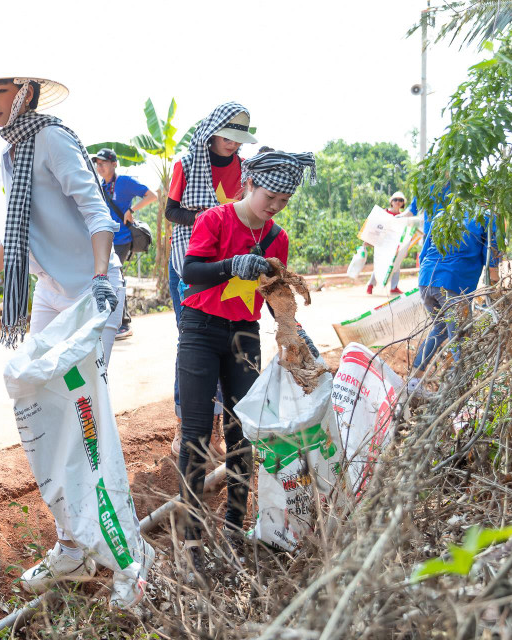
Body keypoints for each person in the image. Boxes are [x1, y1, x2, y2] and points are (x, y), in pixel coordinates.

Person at [0, 75, 153, 607]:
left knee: (88, 421)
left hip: (91, 296)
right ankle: (72, 544)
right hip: (52, 293)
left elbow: (95, 213)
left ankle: (132, 558)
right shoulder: (14, 152)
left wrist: (104, 279)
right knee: (46, 411)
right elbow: (21, 235)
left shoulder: (53, 139)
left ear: (26, 93)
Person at [176, 150, 318, 580]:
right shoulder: (215, 220)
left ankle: (234, 531)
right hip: (200, 331)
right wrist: (230, 266)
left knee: (243, 437)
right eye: (270, 195)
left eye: (283, 200)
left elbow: (276, 296)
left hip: (244, 335)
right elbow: (190, 272)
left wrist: (297, 335)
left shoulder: (278, 238)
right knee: (197, 437)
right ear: (250, 182)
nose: (274, 206)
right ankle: (192, 542)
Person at [165, 103, 257, 458]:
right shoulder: (185, 165)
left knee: (223, 342)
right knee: (192, 344)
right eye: (228, 138)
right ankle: (184, 427)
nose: (233, 145)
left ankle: (216, 431)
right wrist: (205, 216)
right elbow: (171, 211)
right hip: (187, 263)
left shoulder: (243, 169)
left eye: (238, 140)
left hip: (226, 265)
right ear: (213, 132)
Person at [407, 185, 499, 397]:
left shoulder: (442, 214)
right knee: (460, 336)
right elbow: (491, 258)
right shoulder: (486, 216)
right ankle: (463, 396)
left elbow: (424, 252)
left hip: (426, 281)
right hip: (453, 284)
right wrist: (494, 290)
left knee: (439, 329)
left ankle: (414, 383)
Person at [92, 148, 157, 340]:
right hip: (105, 240)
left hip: (121, 240)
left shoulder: (125, 182)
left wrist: (132, 210)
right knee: (106, 279)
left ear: (114, 164)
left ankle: (124, 323)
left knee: (115, 279)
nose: (99, 166)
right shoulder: (100, 186)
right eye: (98, 163)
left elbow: (152, 195)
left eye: (103, 162)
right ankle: (112, 321)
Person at [365, 191, 410, 295]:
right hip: (383, 243)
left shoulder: (403, 216)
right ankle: (371, 285)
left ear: (403, 203)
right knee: (381, 264)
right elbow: (374, 227)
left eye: (400, 200)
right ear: (391, 202)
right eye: (395, 200)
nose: (398, 202)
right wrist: (368, 240)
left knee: (396, 264)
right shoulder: (384, 213)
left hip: (396, 245)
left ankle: (394, 287)